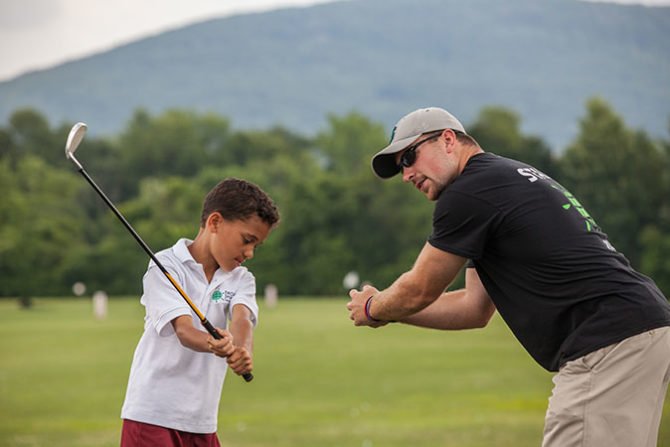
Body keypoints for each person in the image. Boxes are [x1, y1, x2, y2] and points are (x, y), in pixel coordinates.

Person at [347, 107, 670, 447]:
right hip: (638, 328)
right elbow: (473, 308)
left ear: (447, 140)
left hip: (606, 342)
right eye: (401, 166)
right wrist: (392, 313)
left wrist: (374, 307)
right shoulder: (497, 181)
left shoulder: (468, 193)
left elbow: (420, 289)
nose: (406, 174)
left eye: (410, 156)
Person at [121, 178, 279, 447]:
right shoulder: (166, 265)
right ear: (215, 222)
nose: (250, 253)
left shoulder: (241, 278)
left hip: (202, 421)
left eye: (256, 246)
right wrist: (213, 342)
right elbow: (184, 330)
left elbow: (242, 319)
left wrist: (242, 351)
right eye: (247, 240)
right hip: (152, 415)